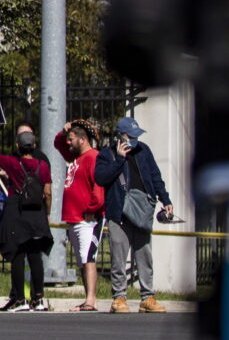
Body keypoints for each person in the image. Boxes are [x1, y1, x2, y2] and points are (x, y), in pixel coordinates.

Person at [94, 115, 174, 314]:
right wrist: (119, 160)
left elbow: (155, 176)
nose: (135, 139)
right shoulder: (107, 154)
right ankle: (119, 298)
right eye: (131, 136)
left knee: (144, 255)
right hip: (118, 212)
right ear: (120, 136)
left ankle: (147, 297)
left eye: (136, 135)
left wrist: (166, 199)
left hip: (141, 211)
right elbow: (100, 178)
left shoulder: (144, 150)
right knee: (119, 257)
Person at [0, 120, 52, 312]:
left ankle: (20, 299)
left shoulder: (13, 163)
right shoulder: (43, 166)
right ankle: (38, 299)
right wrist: (47, 212)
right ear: (34, 146)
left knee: (18, 255)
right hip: (37, 214)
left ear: (17, 146)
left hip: (17, 213)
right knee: (35, 255)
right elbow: (47, 192)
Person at [55, 119, 104, 312]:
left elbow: (98, 187)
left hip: (87, 219)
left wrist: (91, 208)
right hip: (74, 218)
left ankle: (91, 300)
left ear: (83, 140)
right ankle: (87, 298)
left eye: (71, 139)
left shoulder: (93, 157)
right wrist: (63, 130)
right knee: (81, 260)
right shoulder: (76, 157)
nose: (68, 142)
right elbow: (57, 144)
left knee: (88, 258)